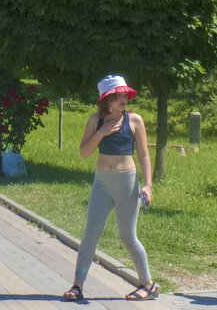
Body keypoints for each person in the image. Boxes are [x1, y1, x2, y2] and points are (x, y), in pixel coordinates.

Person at [62, 75, 158, 302]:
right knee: (90, 234)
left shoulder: (134, 120)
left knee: (128, 237)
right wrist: (101, 133)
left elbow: (144, 154)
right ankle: (78, 285)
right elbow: (84, 153)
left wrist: (148, 185)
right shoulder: (95, 120)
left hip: (127, 182)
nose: (124, 99)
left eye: (125, 95)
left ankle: (148, 284)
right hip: (102, 182)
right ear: (107, 100)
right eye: (118, 96)